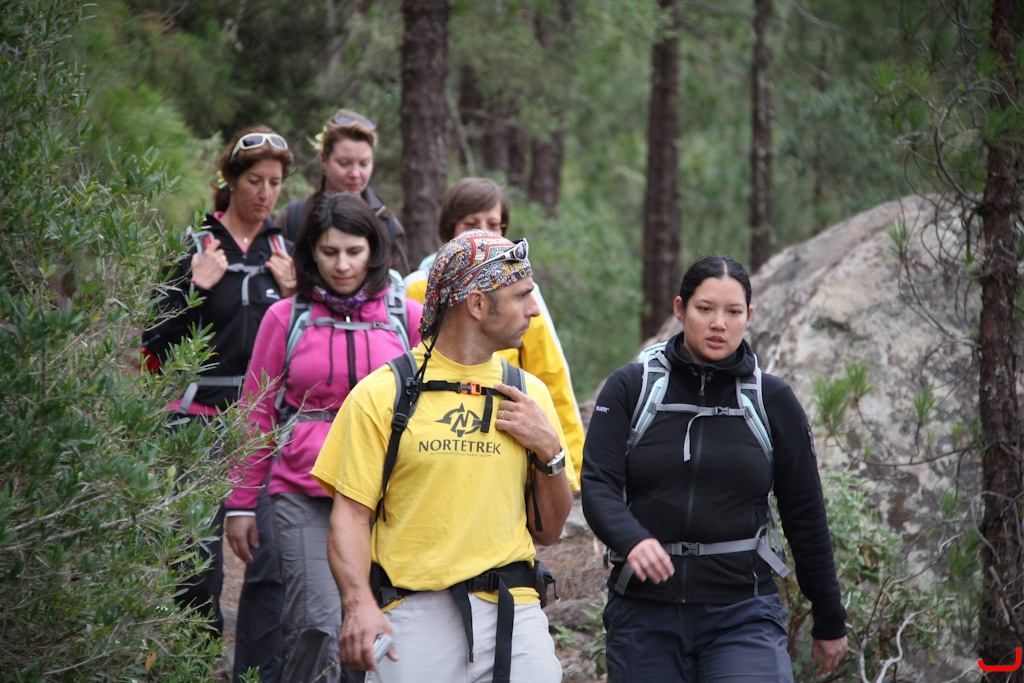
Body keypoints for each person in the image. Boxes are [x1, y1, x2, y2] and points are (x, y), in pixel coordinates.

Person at [311, 230, 578, 683]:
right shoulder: (383, 394)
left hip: (514, 613)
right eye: (521, 296)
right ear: (477, 304)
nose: (534, 309)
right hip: (414, 616)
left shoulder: (528, 395)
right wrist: (358, 605)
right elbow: (350, 516)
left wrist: (549, 450)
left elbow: (549, 531)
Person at [581, 254, 848, 682]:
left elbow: (804, 511)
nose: (718, 323)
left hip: (744, 612)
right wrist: (633, 539)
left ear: (749, 316)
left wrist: (829, 616)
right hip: (645, 613)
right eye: (705, 309)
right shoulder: (631, 388)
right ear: (680, 309)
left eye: (733, 312)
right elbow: (598, 485)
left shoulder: (772, 399)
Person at [225, 191, 422, 683]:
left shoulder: (407, 318)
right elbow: (256, 412)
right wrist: (241, 504)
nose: (342, 265)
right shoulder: (285, 317)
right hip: (303, 492)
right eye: (329, 252)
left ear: (374, 251)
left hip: (389, 496)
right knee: (315, 626)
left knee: (385, 629)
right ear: (310, 252)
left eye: (354, 252)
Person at [141, 125, 295, 678]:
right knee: (196, 567)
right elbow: (152, 343)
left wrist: (296, 294)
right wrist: (194, 288)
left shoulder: (286, 252)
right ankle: (198, 664)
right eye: (254, 181)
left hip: (266, 427)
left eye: (275, 182)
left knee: (273, 563)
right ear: (230, 181)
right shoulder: (196, 246)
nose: (265, 193)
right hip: (198, 421)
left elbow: (307, 343)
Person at [404, 178, 586, 480]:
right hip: (433, 444)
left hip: (508, 443)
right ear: (450, 228)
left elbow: (552, 377)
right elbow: (407, 368)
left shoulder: (523, 292)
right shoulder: (417, 288)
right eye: (471, 224)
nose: (485, 233)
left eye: (493, 224)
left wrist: (572, 469)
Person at [277, 109, 410, 275]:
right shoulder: (293, 218)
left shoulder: (387, 225)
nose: (355, 174)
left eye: (364, 164)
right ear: (324, 159)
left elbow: (400, 286)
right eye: (344, 163)